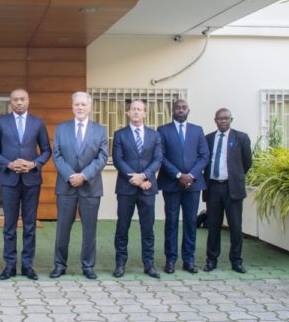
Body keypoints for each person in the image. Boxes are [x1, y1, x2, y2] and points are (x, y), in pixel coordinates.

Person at [0, 88, 52, 280]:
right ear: (10, 102)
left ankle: (27, 265)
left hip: (31, 180)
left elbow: (46, 151)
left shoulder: (37, 123)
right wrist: (7, 164)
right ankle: (10, 265)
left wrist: (34, 164)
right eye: (15, 100)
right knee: (9, 225)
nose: (19, 102)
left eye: (22, 99)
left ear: (28, 101)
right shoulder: (1, 122)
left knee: (30, 225)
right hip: (9, 180)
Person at [50, 92, 109, 280]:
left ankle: (88, 266)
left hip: (90, 187)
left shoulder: (100, 130)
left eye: (84, 104)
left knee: (89, 229)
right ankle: (60, 265)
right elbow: (57, 155)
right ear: (72, 106)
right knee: (62, 229)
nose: (80, 107)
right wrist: (70, 176)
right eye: (77, 104)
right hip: (66, 186)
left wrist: (83, 176)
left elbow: (102, 157)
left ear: (89, 107)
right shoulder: (61, 129)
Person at [157, 99, 209, 274]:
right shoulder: (163, 130)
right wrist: (179, 175)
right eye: (178, 107)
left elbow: (204, 156)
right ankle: (170, 260)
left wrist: (191, 175)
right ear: (172, 110)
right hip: (171, 183)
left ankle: (189, 260)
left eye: (184, 107)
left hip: (193, 185)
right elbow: (161, 156)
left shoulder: (197, 130)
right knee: (171, 222)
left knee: (191, 222)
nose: (181, 110)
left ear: (188, 110)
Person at [112, 99, 163, 279]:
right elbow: (118, 160)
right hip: (126, 188)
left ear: (145, 113)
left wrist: (144, 176)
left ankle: (149, 264)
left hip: (148, 188)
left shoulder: (154, 135)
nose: (136, 112)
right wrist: (137, 179)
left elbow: (158, 159)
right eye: (133, 109)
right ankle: (120, 264)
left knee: (147, 228)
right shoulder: (120, 135)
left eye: (139, 109)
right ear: (128, 113)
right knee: (122, 227)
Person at [203, 108, 253, 273]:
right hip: (213, 187)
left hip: (233, 188)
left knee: (235, 226)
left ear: (231, 120)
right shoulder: (208, 138)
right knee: (213, 226)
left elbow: (247, 162)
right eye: (220, 118)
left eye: (226, 118)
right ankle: (211, 260)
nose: (223, 121)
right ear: (215, 120)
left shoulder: (241, 138)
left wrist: (235, 176)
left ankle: (236, 261)